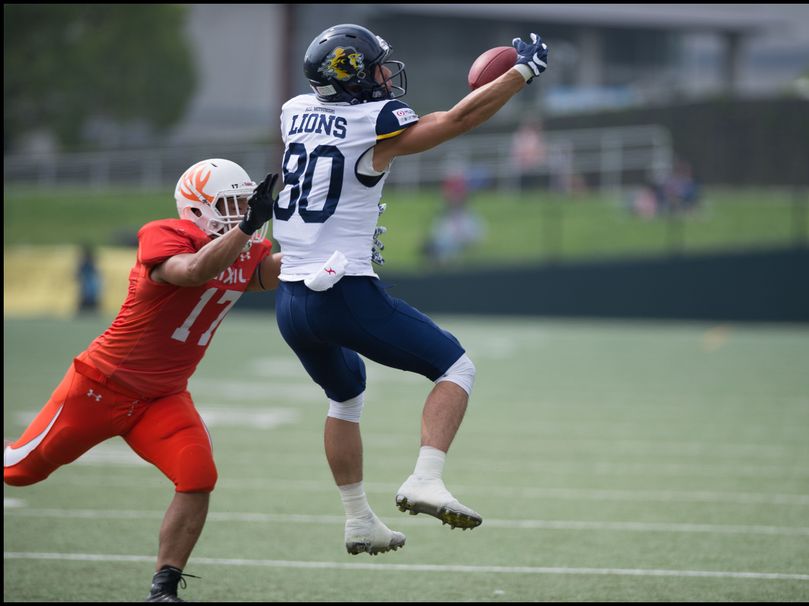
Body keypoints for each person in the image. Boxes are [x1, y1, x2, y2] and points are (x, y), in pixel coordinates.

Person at [272, 23, 548, 556]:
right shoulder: (371, 121)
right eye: (374, 64)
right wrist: (521, 72)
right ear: (350, 74)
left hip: (291, 301)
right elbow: (458, 118)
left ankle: (358, 520)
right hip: (342, 290)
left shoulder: (292, 112)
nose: (384, 73)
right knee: (455, 368)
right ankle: (426, 476)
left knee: (345, 396)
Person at [3, 159, 280, 602]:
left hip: (163, 397)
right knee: (18, 472)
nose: (243, 208)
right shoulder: (167, 234)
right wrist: (246, 227)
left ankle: (163, 588)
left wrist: (332, 255)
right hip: (100, 386)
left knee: (197, 475)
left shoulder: (241, 246)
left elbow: (265, 275)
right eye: (233, 202)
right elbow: (192, 272)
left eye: (248, 201)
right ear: (196, 209)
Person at [76, 243, 102, 314]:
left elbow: (79, 272)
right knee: (89, 296)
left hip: (88, 282)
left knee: (87, 296)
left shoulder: (85, 262)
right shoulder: (91, 261)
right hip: (89, 282)